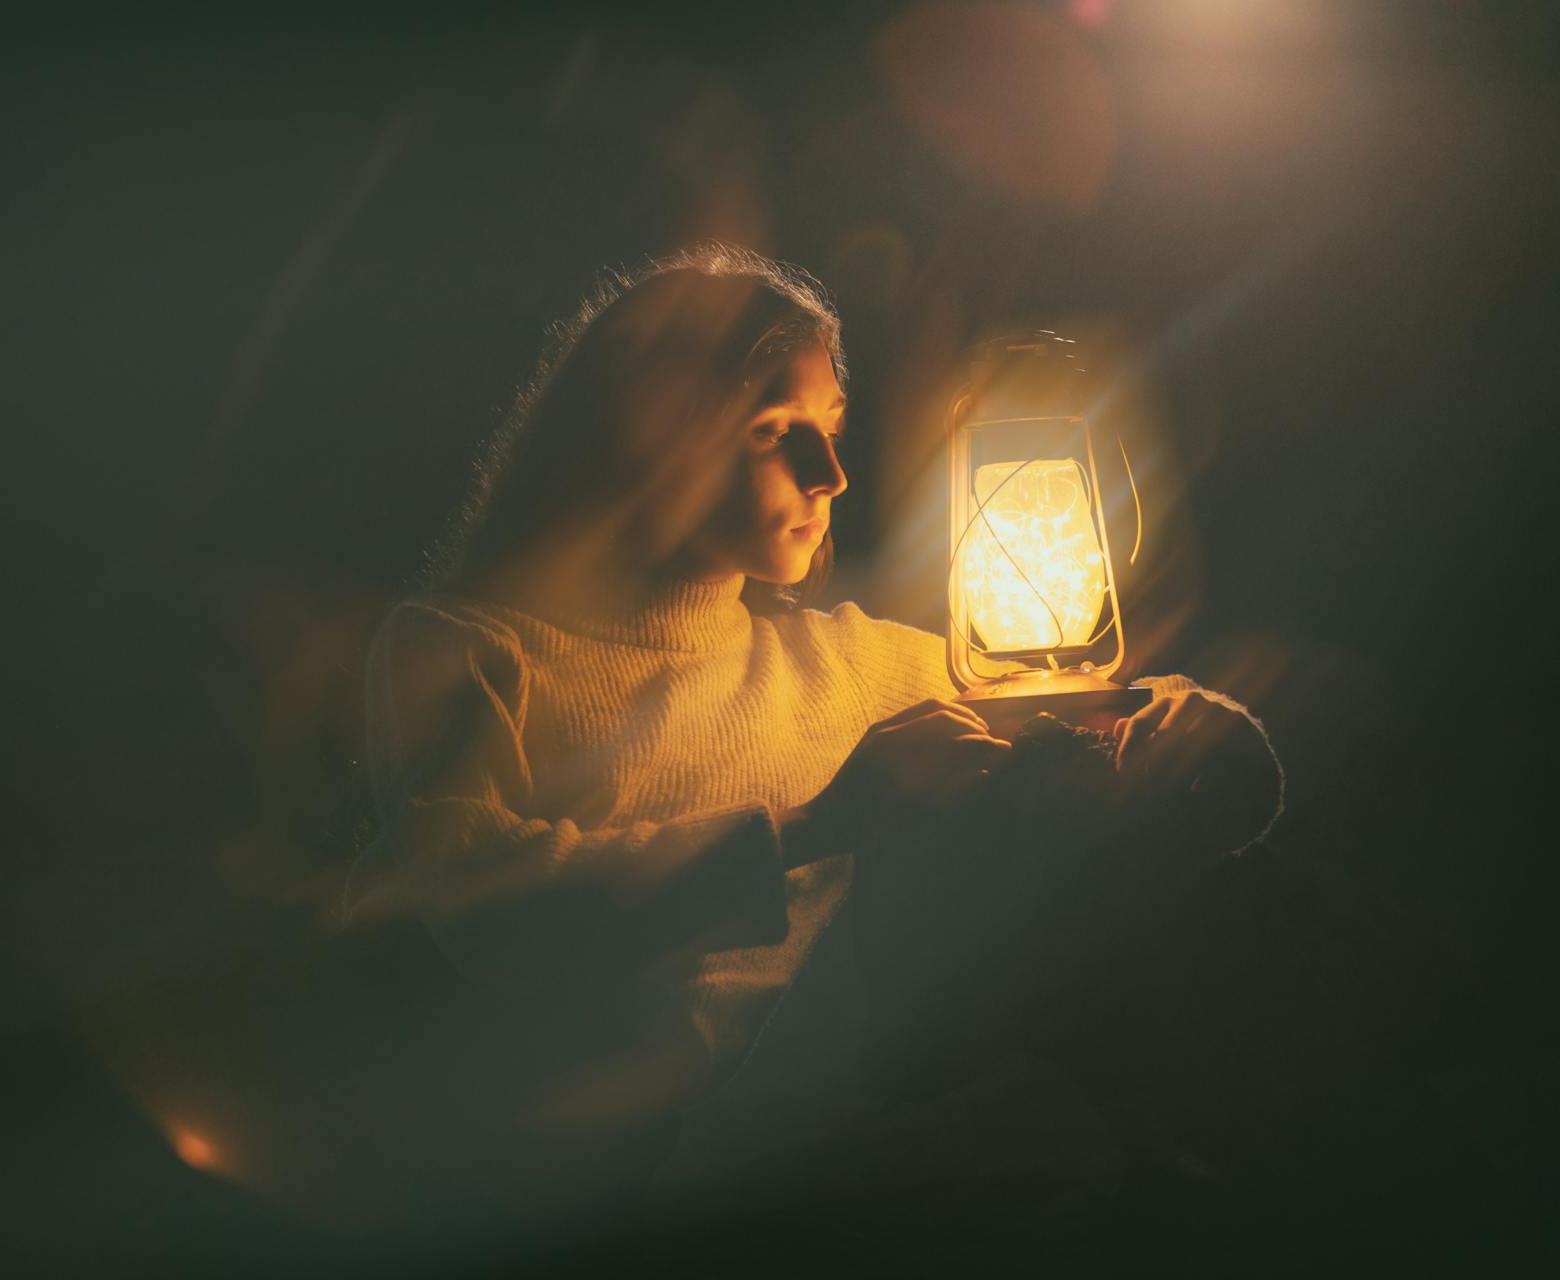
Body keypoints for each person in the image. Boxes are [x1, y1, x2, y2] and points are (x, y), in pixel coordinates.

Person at [337, 242, 1281, 1244]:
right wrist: (821, 816)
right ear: (655, 432)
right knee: (1045, 1133)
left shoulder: (846, 668)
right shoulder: (456, 656)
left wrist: (1177, 723)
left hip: (808, 1152)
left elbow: (1202, 773)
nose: (831, 473)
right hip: (568, 1188)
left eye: (831, 428)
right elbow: (491, 918)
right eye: (776, 431)